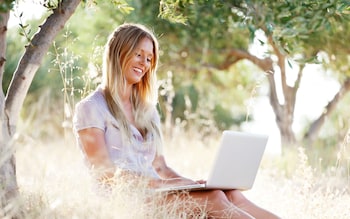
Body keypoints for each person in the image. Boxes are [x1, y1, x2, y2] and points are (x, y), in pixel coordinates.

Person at [73, 23, 280, 219]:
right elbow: (105, 173)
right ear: (118, 53)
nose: (144, 64)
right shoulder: (91, 107)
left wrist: (190, 184)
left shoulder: (147, 111)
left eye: (149, 59)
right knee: (215, 199)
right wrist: (156, 184)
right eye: (138, 54)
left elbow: (161, 167)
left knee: (230, 194)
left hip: (157, 194)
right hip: (125, 200)